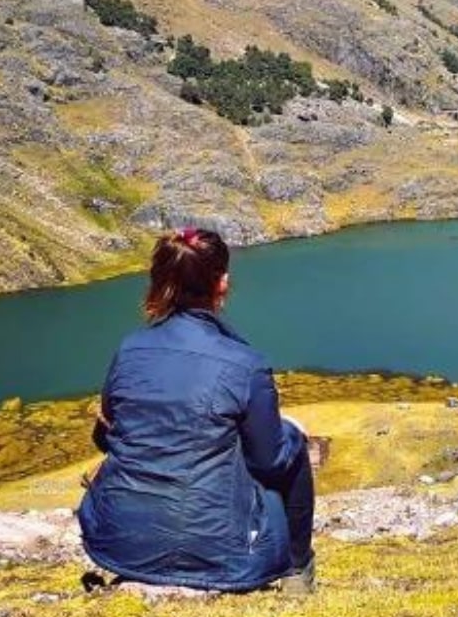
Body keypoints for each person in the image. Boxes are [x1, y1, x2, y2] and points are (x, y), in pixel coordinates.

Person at [77, 227, 316, 594]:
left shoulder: (130, 349)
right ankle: (298, 575)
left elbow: (106, 433)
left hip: (117, 543)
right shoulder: (246, 364)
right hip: (220, 555)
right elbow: (268, 461)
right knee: (293, 443)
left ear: (159, 281)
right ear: (222, 283)